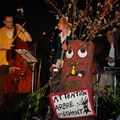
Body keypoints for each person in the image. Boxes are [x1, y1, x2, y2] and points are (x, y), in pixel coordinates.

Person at [0, 14, 32, 117]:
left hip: (16, 62)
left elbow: (29, 39)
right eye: (8, 22)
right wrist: (4, 46)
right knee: (1, 86)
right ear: (4, 22)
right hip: (3, 62)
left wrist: (23, 30)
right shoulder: (0, 32)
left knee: (18, 87)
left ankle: (16, 107)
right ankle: (2, 107)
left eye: (11, 22)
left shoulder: (16, 30)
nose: (10, 24)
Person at [96, 27, 120, 96]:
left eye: (110, 34)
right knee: (104, 74)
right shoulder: (106, 48)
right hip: (109, 71)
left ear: (115, 35)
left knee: (105, 75)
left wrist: (113, 60)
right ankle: (101, 97)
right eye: (107, 34)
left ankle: (106, 96)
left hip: (117, 73)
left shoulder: (118, 47)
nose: (108, 36)